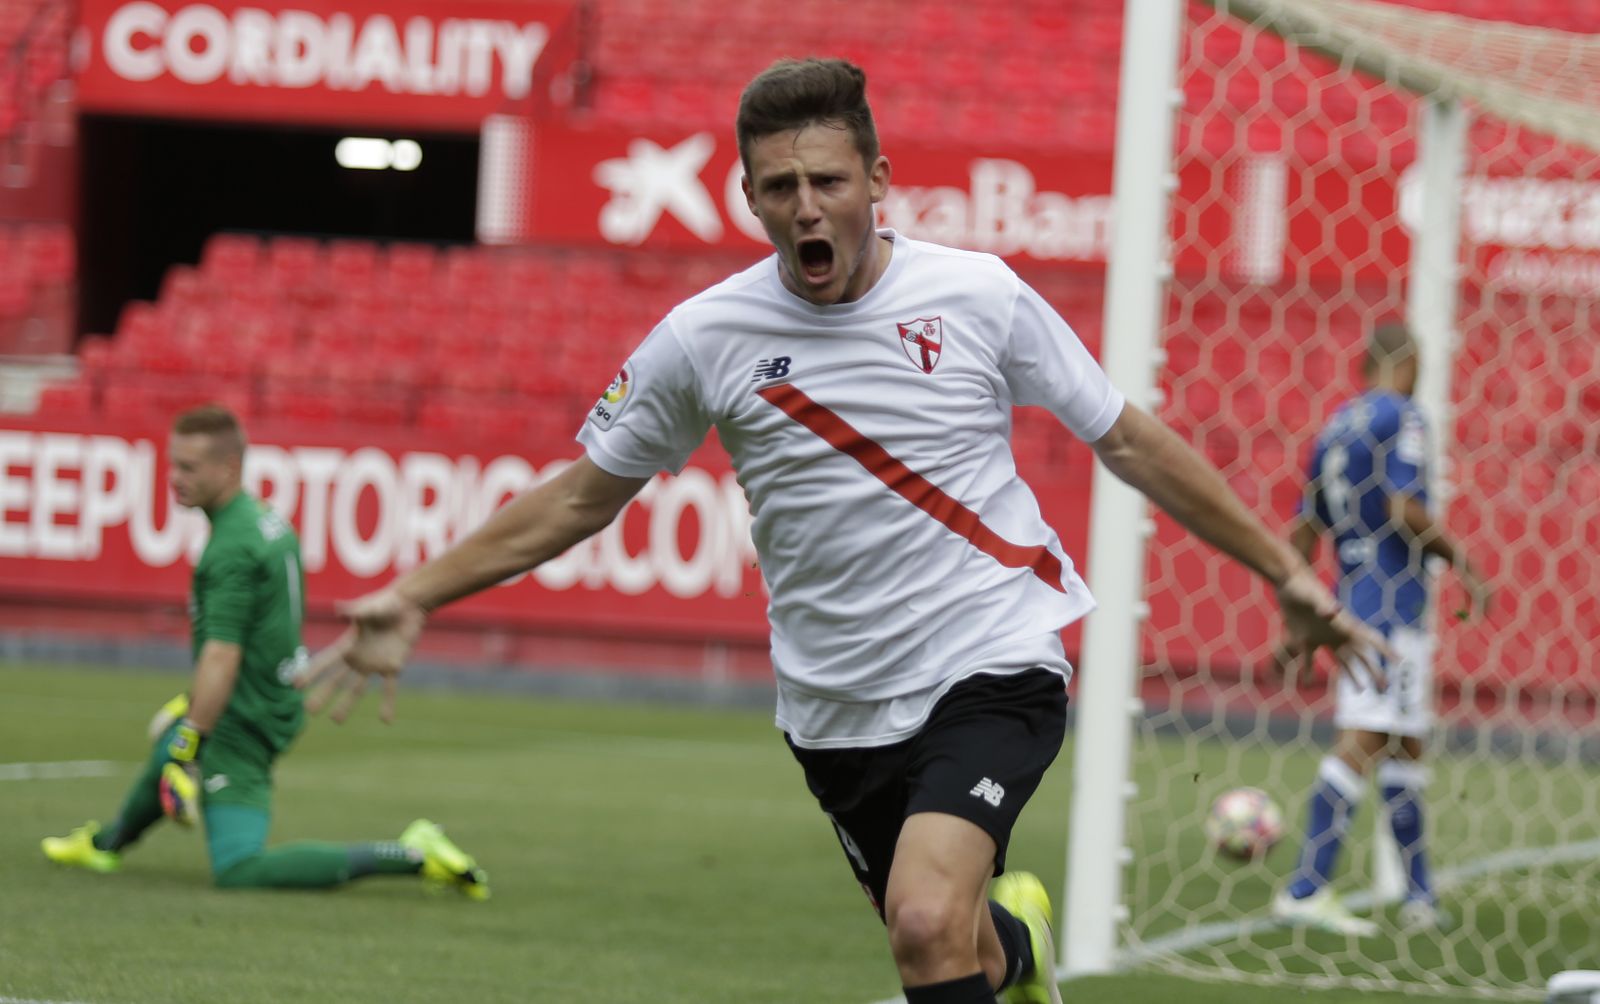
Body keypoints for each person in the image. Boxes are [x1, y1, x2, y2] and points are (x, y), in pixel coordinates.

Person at [303, 59, 1382, 1004]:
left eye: (827, 181)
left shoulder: (977, 296)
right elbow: (584, 493)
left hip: (991, 655)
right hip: (834, 707)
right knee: (952, 941)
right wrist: (418, 591)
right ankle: (1022, 942)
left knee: (920, 921)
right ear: (748, 197)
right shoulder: (704, 336)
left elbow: (1129, 438)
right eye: (781, 187)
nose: (806, 207)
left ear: (876, 180)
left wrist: (1283, 567)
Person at [41, 404, 489, 900]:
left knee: (238, 865)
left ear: (228, 468)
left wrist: (191, 741)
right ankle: (107, 844)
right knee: (174, 733)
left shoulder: (230, 548)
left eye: (188, 468)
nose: (175, 478)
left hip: (247, 718)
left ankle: (412, 853)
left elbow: (221, 656)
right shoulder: (263, 520)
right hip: (270, 691)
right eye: (173, 464)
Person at [1272, 323, 1489, 936]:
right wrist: (1464, 562)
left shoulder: (1336, 425)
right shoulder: (1405, 416)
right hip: (1391, 605)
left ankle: (1419, 894)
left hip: (1353, 595)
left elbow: (1303, 529)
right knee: (1368, 736)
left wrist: (1300, 612)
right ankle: (1306, 887)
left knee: (1403, 741)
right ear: (1408, 362)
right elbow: (1404, 507)